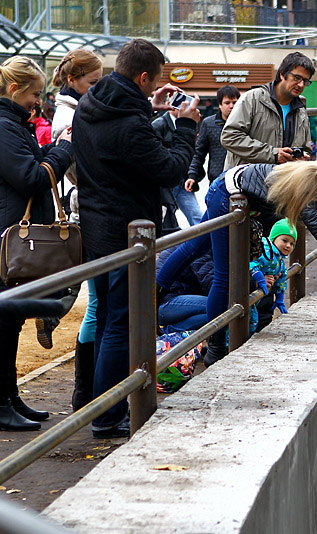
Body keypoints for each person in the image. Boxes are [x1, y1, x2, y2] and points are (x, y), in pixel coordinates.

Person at [72, 38, 201, 438]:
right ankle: (107, 416)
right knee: (121, 322)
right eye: (154, 81)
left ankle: (93, 403)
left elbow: (122, 141)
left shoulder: (92, 105)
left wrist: (151, 107)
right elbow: (168, 169)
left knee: (106, 314)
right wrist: (186, 129)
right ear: (144, 77)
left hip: (95, 227)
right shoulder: (129, 123)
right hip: (126, 232)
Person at [157, 155, 317, 366]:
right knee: (223, 275)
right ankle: (214, 347)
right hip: (227, 194)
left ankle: (156, 291)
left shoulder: (316, 178)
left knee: (195, 246)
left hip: (240, 193)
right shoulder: (309, 190)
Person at [0, 55, 73, 430]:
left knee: (9, 322)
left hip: (9, 237)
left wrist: (55, 151)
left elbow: (34, 165)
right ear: (14, 89)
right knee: (3, 324)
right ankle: (2, 404)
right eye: (34, 94)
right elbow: (30, 177)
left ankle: (10, 398)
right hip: (5, 240)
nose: (38, 101)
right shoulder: (4, 126)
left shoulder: (14, 124)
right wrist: (63, 151)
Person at [48, 49, 103, 410]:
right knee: (98, 303)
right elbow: (76, 169)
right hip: (87, 212)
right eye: (93, 82)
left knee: (99, 301)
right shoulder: (68, 115)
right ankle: (85, 392)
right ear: (73, 80)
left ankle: (88, 390)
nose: (97, 89)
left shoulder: (79, 108)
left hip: (91, 211)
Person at [220, 51, 313, 168]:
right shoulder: (253, 98)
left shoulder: (301, 111)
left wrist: (301, 158)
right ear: (282, 74)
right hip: (247, 181)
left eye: (305, 81)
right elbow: (229, 137)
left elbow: (306, 148)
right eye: (297, 78)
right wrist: (272, 154)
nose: (301, 85)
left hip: (284, 181)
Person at [152, 108, 203, 227]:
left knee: (197, 216)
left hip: (183, 180)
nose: (185, 107)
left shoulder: (190, 121)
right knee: (168, 218)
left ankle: (203, 244)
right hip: (167, 181)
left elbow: (196, 152)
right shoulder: (159, 124)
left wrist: (192, 175)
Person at [186, 84, 239, 196]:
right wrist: (192, 176)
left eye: (234, 102)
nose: (231, 106)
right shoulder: (209, 123)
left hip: (240, 181)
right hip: (217, 181)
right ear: (220, 105)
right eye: (227, 103)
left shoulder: (246, 123)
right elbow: (199, 153)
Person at [249, 218, 295, 330]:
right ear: (274, 239)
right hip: (248, 290)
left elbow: (282, 278)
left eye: (292, 243)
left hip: (261, 295)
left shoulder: (279, 260)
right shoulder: (264, 251)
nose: (288, 245)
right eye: (284, 241)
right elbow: (251, 264)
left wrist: (279, 299)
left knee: (258, 320)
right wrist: (260, 279)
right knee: (250, 321)